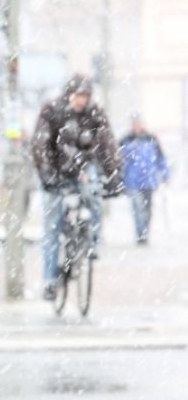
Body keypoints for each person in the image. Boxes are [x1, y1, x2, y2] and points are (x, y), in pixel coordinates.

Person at [31, 74, 122, 301]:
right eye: (78, 95)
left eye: (85, 96)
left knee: (94, 195)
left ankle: (91, 241)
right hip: (56, 172)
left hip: (82, 170)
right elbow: (41, 144)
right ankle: (50, 280)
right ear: (69, 94)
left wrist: (113, 176)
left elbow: (107, 144)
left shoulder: (95, 113)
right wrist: (48, 174)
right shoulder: (52, 111)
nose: (82, 101)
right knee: (52, 227)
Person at [119, 116, 169, 245]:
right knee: (137, 208)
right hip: (132, 181)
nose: (137, 126)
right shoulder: (125, 140)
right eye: (135, 124)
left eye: (139, 124)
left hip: (148, 181)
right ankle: (140, 234)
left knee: (147, 209)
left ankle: (145, 232)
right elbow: (119, 160)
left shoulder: (151, 139)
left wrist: (165, 175)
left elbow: (160, 159)